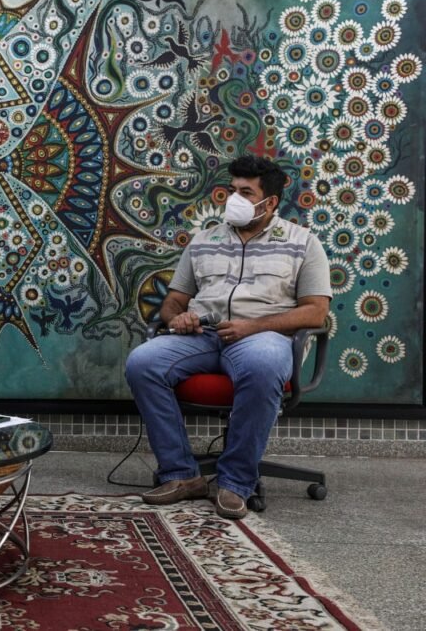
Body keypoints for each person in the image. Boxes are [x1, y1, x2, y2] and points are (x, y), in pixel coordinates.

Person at [124, 155, 331, 519]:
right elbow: (173, 302)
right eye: (232, 190)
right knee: (142, 362)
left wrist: (253, 327)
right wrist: (178, 318)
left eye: (245, 192)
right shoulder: (204, 240)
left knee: (263, 365)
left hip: (264, 337)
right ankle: (181, 475)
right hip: (203, 336)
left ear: (270, 202)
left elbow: (316, 312)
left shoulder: (303, 243)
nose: (234, 198)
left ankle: (235, 482)